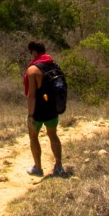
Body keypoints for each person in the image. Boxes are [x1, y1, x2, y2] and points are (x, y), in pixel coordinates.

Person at [23, 40, 65, 177]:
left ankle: (38, 168)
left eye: (31, 52)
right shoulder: (54, 65)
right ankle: (59, 166)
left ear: (34, 51)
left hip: (38, 109)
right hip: (52, 107)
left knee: (33, 137)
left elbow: (31, 95)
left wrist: (30, 115)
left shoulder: (33, 70)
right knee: (53, 135)